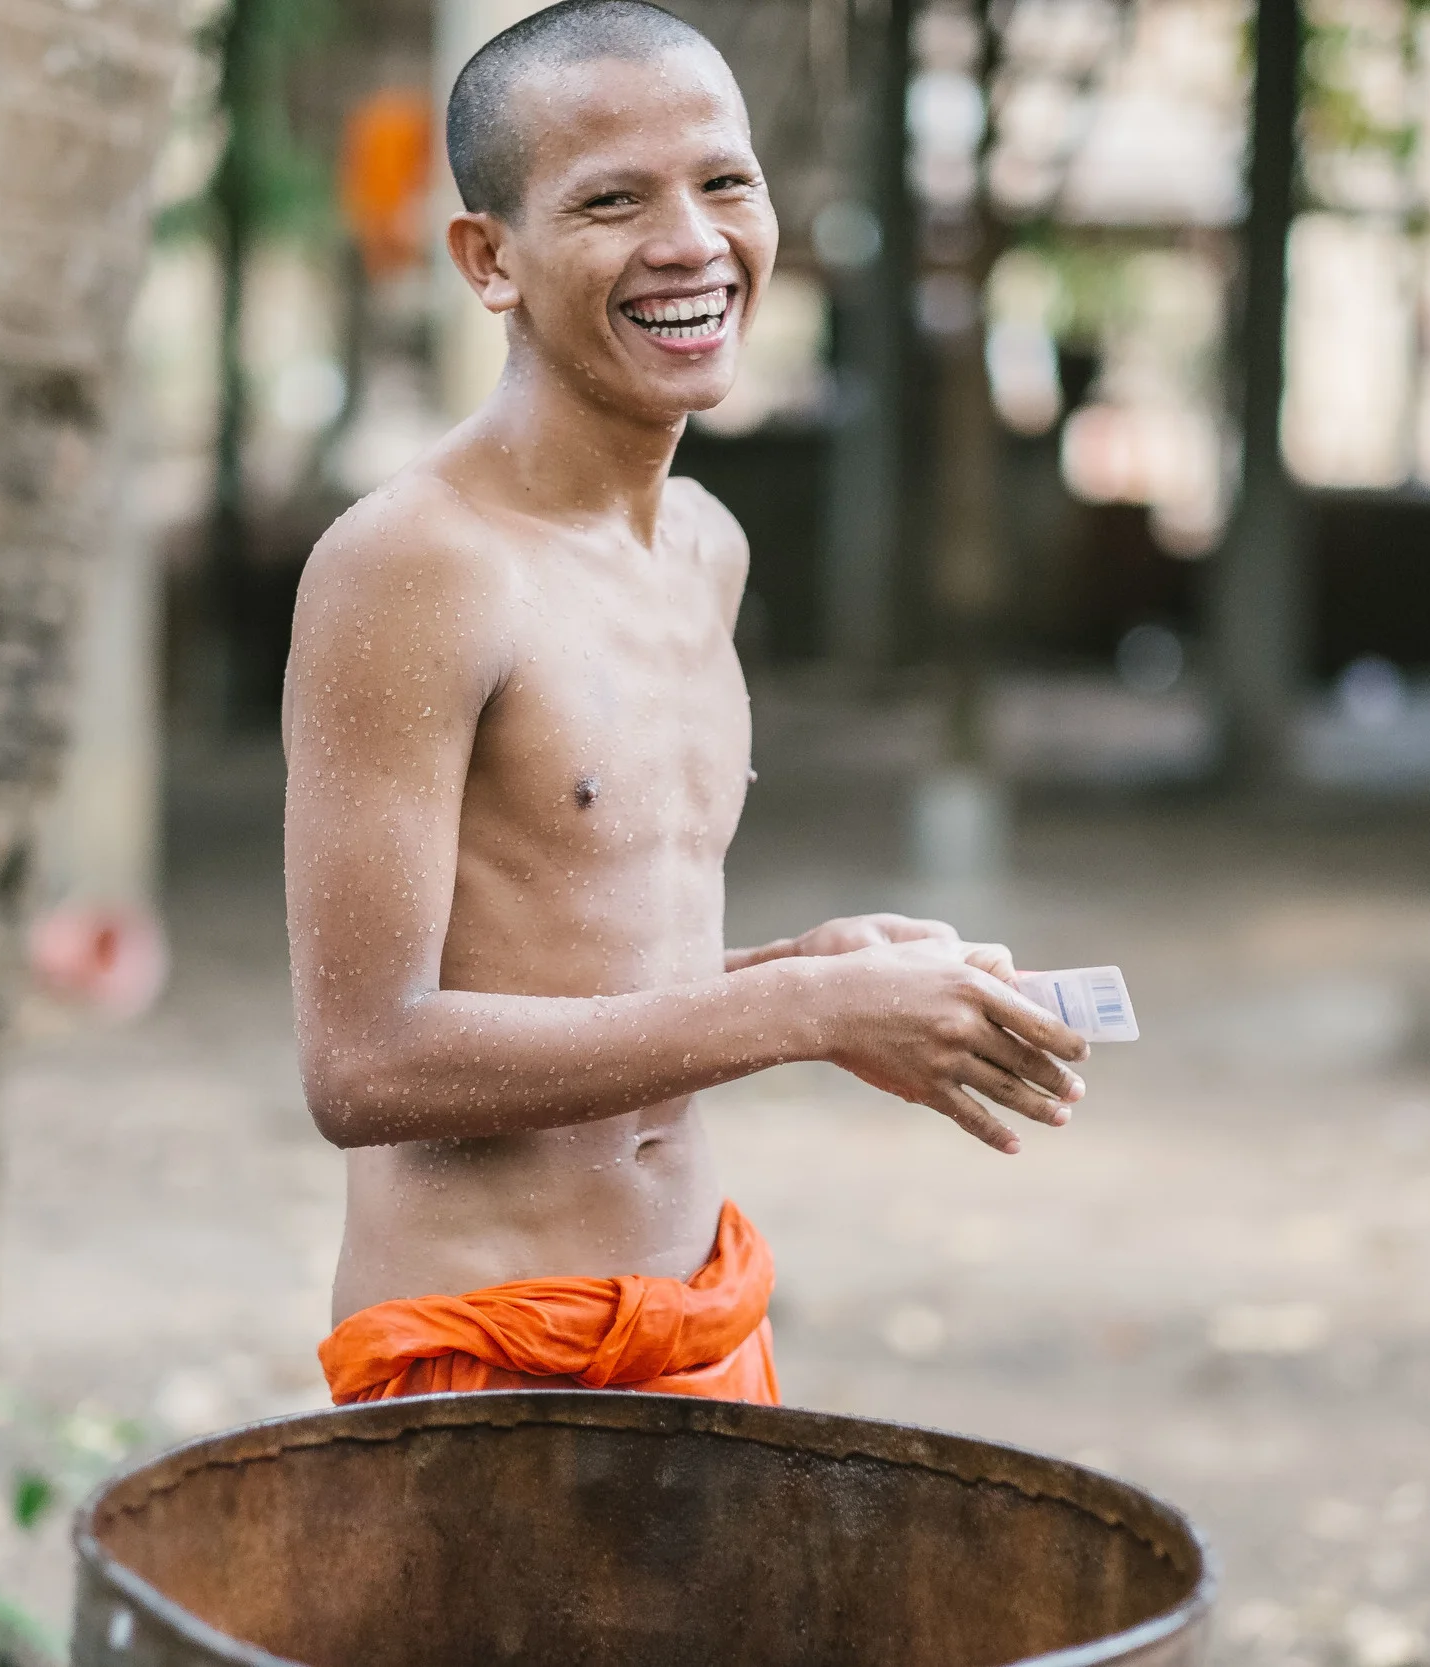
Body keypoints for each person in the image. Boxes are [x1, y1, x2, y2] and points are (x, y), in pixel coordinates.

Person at [288, 0, 1089, 1407]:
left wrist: (811, 978)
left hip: (703, 1318)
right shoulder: (410, 563)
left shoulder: (707, 546)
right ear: (491, 259)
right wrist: (812, 1009)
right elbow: (367, 1060)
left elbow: (574, 969)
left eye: (726, 182)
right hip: (488, 1355)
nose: (692, 241)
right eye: (612, 200)